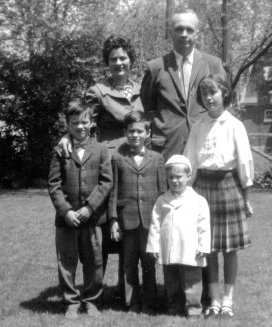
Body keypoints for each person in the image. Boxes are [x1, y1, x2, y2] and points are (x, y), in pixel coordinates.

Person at [58, 35, 143, 300]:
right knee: (104, 225)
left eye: (123, 58)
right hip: (107, 161)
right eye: (114, 59)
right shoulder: (97, 91)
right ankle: (96, 289)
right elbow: (81, 121)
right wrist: (66, 136)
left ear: (131, 60)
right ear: (107, 62)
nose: (119, 63)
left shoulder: (141, 88)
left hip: (133, 161)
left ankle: (125, 287)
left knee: (129, 221)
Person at [183, 74, 254, 319]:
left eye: (213, 92)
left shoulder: (235, 125)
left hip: (228, 187)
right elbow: (190, 160)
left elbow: (244, 162)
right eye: (204, 94)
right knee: (209, 247)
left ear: (224, 94)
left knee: (230, 249)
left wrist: (246, 196)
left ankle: (228, 300)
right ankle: (213, 300)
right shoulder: (199, 126)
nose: (209, 98)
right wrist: (186, 192)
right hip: (202, 188)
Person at [48, 99, 113, 319]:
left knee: (94, 260)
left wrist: (89, 208)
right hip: (66, 220)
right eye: (74, 123)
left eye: (84, 122)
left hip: (93, 218)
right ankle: (71, 302)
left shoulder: (101, 149)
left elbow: (106, 182)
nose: (80, 127)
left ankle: (91, 300)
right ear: (67, 125)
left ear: (91, 122)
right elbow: (53, 184)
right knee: (66, 261)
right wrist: (65, 211)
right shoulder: (60, 150)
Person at [140, 9, 227, 160]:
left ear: (197, 33)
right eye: (179, 29)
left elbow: (224, 104)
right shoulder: (155, 68)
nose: (184, 34)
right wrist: (161, 125)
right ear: (170, 32)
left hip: (206, 145)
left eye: (189, 29)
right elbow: (147, 105)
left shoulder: (213, 64)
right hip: (166, 147)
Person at [108, 111, 167, 314]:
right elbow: (113, 191)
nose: (135, 135)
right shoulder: (117, 158)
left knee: (149, 263)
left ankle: (150, 302)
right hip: (128, 219)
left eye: (139, 131)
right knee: (129, 263)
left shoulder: (158, 158)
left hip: (151, 221)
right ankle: (132, 302)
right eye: (131, 131)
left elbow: (163, 192)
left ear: (147, 133)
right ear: (125, 132)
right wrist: (114, 219)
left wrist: (162, 221)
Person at [146, 155, 210, 320]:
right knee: (171, 280)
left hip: (190, 249)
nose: (175, 181)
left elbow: (204, 226)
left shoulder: (198, 201)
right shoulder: (162, 200)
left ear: (188, 176)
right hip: (168, 249)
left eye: (179, 177)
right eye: (171, 177)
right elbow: (155, 225)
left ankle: (194, 309)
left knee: (192, 281)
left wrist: (203, 246)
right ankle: (173, 306)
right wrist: (153, 246)